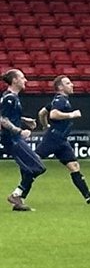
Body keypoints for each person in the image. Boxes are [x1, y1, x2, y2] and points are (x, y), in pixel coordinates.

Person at [34, 74, 90, 205]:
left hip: (61, 140)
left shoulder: (58, 100)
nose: (72, 85)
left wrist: (45, 125)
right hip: (54, 138)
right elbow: (53, 114)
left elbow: (42, 113)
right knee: (33, 163)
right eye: (68, 83)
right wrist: (72, 114)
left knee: (74, 166)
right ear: (60, 87)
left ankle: (88, 196)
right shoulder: (60, 100)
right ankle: (20, 191)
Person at [1, 68, 45, 212]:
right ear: (15, 80)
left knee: (27, 169)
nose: (25, 80)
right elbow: (3, 119)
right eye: (22, 77)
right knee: (37, 167)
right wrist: (19, 131)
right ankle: (16, 194)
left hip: (13, 138)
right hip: (12, 139)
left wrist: (24, 120)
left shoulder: (11, 97)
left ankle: (18, 201)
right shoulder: (10, 98)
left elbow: (9, 115)